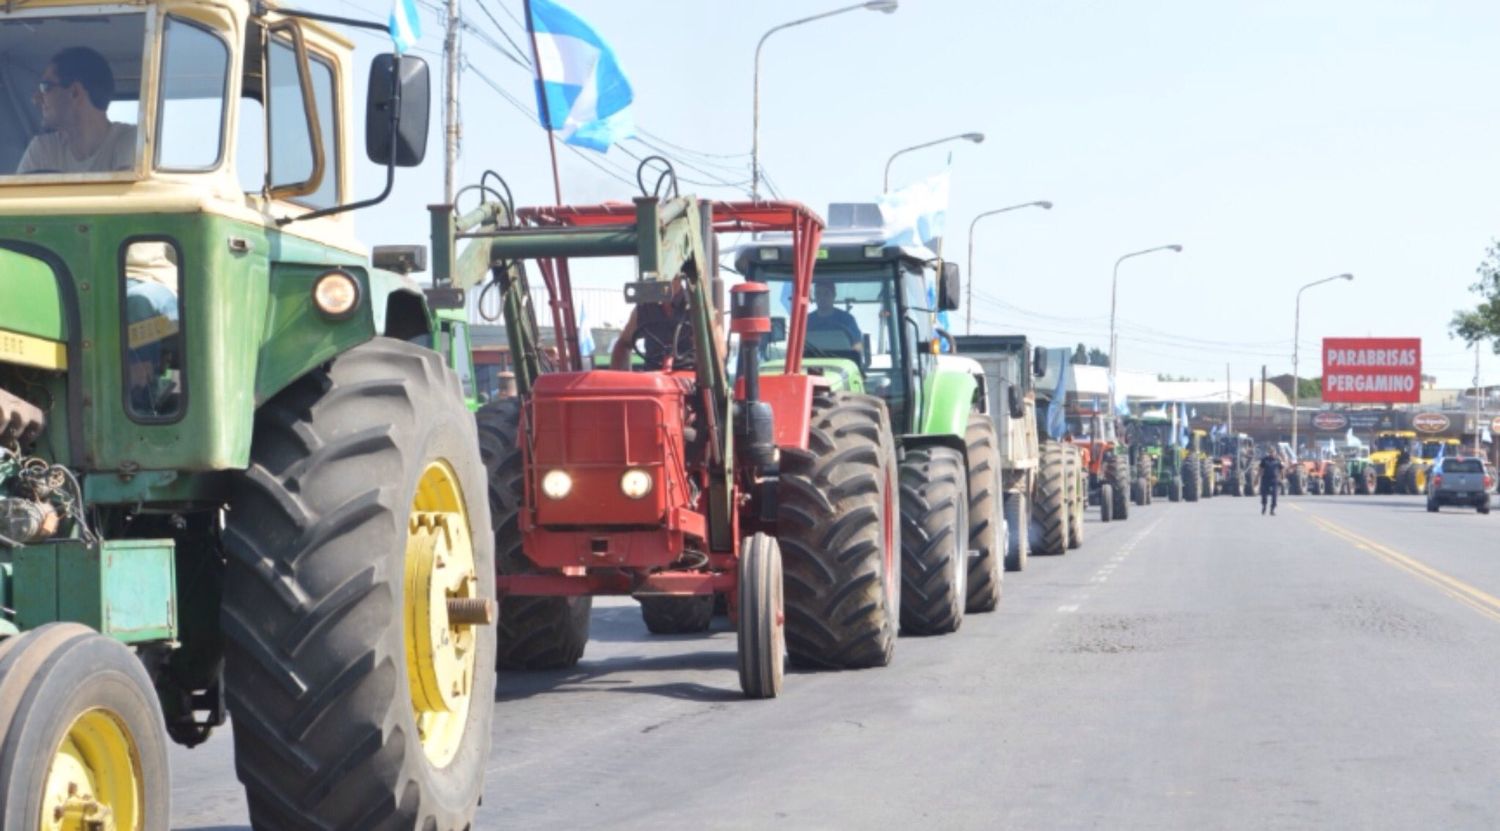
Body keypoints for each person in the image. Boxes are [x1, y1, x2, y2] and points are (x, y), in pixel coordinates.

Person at [17, 46, 136, 174]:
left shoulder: (131, 140)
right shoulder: (42, 149)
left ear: (75, 93)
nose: (35, 99)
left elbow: (129, 194)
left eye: (46, 87)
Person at [806, 281, 862, 353]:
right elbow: (798, 345)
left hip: (841, 361)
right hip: (811, 361)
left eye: (826, 293)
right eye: (818, 294)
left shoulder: (847, 319)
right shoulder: (806, 320)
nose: (821, 297)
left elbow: (857, 344)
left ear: (834, 295)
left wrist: (853, 355)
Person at [1258, 445, 1284, 515]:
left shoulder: (1278, 460)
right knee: (1264, 495)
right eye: (1270, 452)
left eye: (1273, 452)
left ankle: (1272, 509)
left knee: (1274, 495)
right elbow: (1260, 469)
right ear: (1268, 452)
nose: (1271, 453)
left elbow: (1281, 470)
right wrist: (1257, 478)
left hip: (1274, 480)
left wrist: (1282, 478)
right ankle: (1264, 506)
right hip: (1265, 479)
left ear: (1275, 452)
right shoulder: (1264, 460)